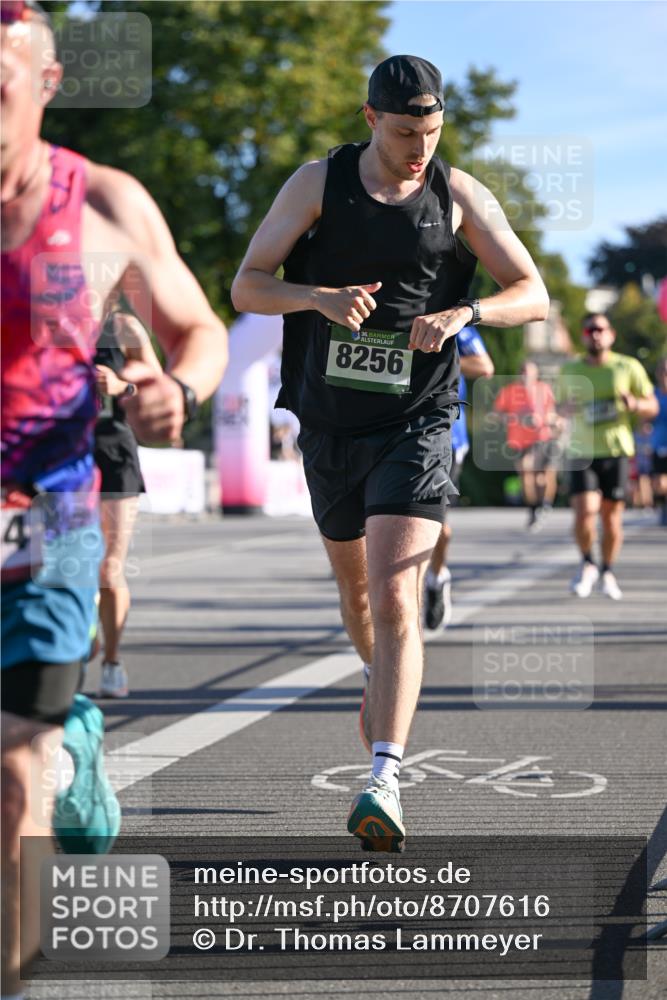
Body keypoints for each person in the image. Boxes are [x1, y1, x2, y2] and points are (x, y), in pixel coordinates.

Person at [232, 54, 549, 852]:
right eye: (405, 132)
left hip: (418, 418)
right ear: (371, 118)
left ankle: (383, 777)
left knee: (395, 595)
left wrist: (466, 312)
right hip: (329, 422)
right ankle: (380, 679)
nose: (419, 149)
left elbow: (532, 292)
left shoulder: (458, 193)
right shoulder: (317, 183)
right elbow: (247, 285)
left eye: (431, 132)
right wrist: (316, 297)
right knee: (357, 597)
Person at [1, 4, 227, 995]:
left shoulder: (100, 201)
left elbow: (197, 328)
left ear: (47, 85)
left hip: (48, 516)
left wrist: (180, 387)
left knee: (12, 774)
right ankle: (77, 743)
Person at [559, 313, 657, 600]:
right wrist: (564, 410)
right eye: (590, 330)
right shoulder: (570, 370)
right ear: (583, 336)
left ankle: (608, 570)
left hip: (616, 451)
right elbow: (557, 407)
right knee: (584, 512)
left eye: (601, 329)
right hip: (581, 451)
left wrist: (635, 404)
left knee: (612, 519)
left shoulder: (627, 366)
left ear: (611, 334)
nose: (596, 334)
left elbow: (652, 405)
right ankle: (588, 562)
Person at [93, 305, 163, 699]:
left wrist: (121, 385)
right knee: (65, 565)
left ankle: (112, 662)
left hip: (114, 453)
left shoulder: (122, 326)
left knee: (109, 567)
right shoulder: (48, 323)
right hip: (63, 454)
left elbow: (156, 384)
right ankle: (83, 640)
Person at [423, 325, 494, 630]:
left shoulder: (456, 322)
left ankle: (437, 577)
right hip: (391, 430)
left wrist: (435, 355)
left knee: (436, 523)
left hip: (445, 438)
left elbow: (484, 366)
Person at [493, 360, 559, 530]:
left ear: (536, 374)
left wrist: (543, 420)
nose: (525, 375)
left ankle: (545, 504)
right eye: (522, 371)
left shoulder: (544, 389)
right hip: (519, 440)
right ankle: (533, 509)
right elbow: (496, 415)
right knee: (526, 472)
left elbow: (552, 414)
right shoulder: (509, 391)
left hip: (542, 437)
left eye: (529, 371)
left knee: (543, 476)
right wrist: (516, 418)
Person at [651, 357, 667, 526]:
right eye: (662, 371)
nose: (665, 375)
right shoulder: (652, 395)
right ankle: (663, 506)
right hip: (659, 444)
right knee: (660, 482)